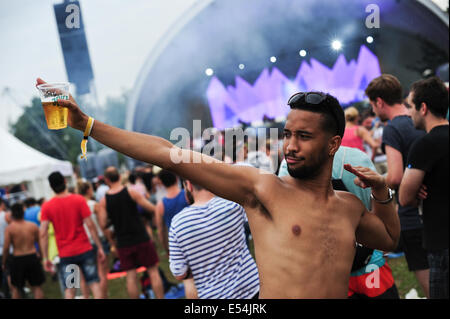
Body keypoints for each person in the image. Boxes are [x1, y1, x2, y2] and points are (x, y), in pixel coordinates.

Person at [41, 76, 400, 299]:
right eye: (288, 134)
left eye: (303, 137)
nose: (290, 145)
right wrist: (87, 124)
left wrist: (382, 192)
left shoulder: (348, 206)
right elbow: (169, 155)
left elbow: (388, 238)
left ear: (333, 144)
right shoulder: (263, 189)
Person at [279, 146, 399, 299]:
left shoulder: (291, 163)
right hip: (369, 265)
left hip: (329, 272)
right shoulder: (359, 157)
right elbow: (379, 214)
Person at [365, 74, 430, 298]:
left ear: (379, 102)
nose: (373, 111)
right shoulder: (423, 118)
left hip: (412, 215)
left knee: (430, 280)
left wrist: (372, 180)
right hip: (435, 206)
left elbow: (394, 177)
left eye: (373, 105)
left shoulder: (392, 129)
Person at [399, 76, 449, 299]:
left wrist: (417, 187)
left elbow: (405, 197)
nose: (409, 113)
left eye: (410, 106)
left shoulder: (425, 144)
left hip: (442, 242)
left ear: (423, 108)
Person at [169, 179, 260, 299]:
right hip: (251, 287)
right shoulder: (232, 204)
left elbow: (179, 273)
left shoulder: (178, 223)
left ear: (189, 185)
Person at [97, 166, 165, 299]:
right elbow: (150, 207)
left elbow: (103, 223)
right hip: (141, 237)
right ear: (119, 176)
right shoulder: (131, 192)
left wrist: (114, 219)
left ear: (106, 180)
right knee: (153, 271)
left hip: (123, 241)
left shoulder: (104, 201)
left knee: (131, 276)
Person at [39, 171, 106, 299]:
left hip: (66, 254)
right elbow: (91, 225)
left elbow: (43, 233)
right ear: (65, 181)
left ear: (51, 186)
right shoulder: (79, 200)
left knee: (71, 289)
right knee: (93, 284)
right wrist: (100, 247)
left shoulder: (47, 207)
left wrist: (45, 257)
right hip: (84, 249)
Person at [2, 203, 45, 299]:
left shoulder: (10, 229)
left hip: (18, 258)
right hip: (32, 256)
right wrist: (42, 256)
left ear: (12, 214)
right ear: (23, 213)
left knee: (16, 288)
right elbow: (40, 243)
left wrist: (4, 261)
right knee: (37, 287)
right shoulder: (33, 226)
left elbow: (6, 247)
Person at [78, 181, 111, 298]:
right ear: (88, 190)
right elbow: (103, 224)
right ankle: (102, 296)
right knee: (102, 272)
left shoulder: (77, 205)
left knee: (85, 275)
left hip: (84, 242)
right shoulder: (94, 205)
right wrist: (110, 240)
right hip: (98, 239)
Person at [155, 169, 189, 253]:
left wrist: (166, 248)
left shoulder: (160, 205)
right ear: (177, 179)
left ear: (162, 183)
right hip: (193, 235)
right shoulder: (188, 195)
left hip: (177, 243)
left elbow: (160, 231)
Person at [0, 198, 12, 298]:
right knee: (9, 273)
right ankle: (14, 292)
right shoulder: (6, 216)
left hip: (1, 250)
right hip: (9, 249)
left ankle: (6, 293)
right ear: (2, 204)